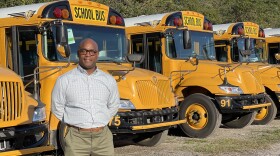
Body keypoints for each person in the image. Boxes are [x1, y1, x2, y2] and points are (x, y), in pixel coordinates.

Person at [52, 38, 120, 156]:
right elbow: (57, 107)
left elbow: (113, 105)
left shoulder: (108, 80)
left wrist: (101, 119)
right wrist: (72, 121)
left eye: (92, 51)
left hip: (103, 138)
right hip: (76, 139)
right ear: (78, 54)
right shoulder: (64, 80)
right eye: (84, 51)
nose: (88, 55)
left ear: (97, 54)